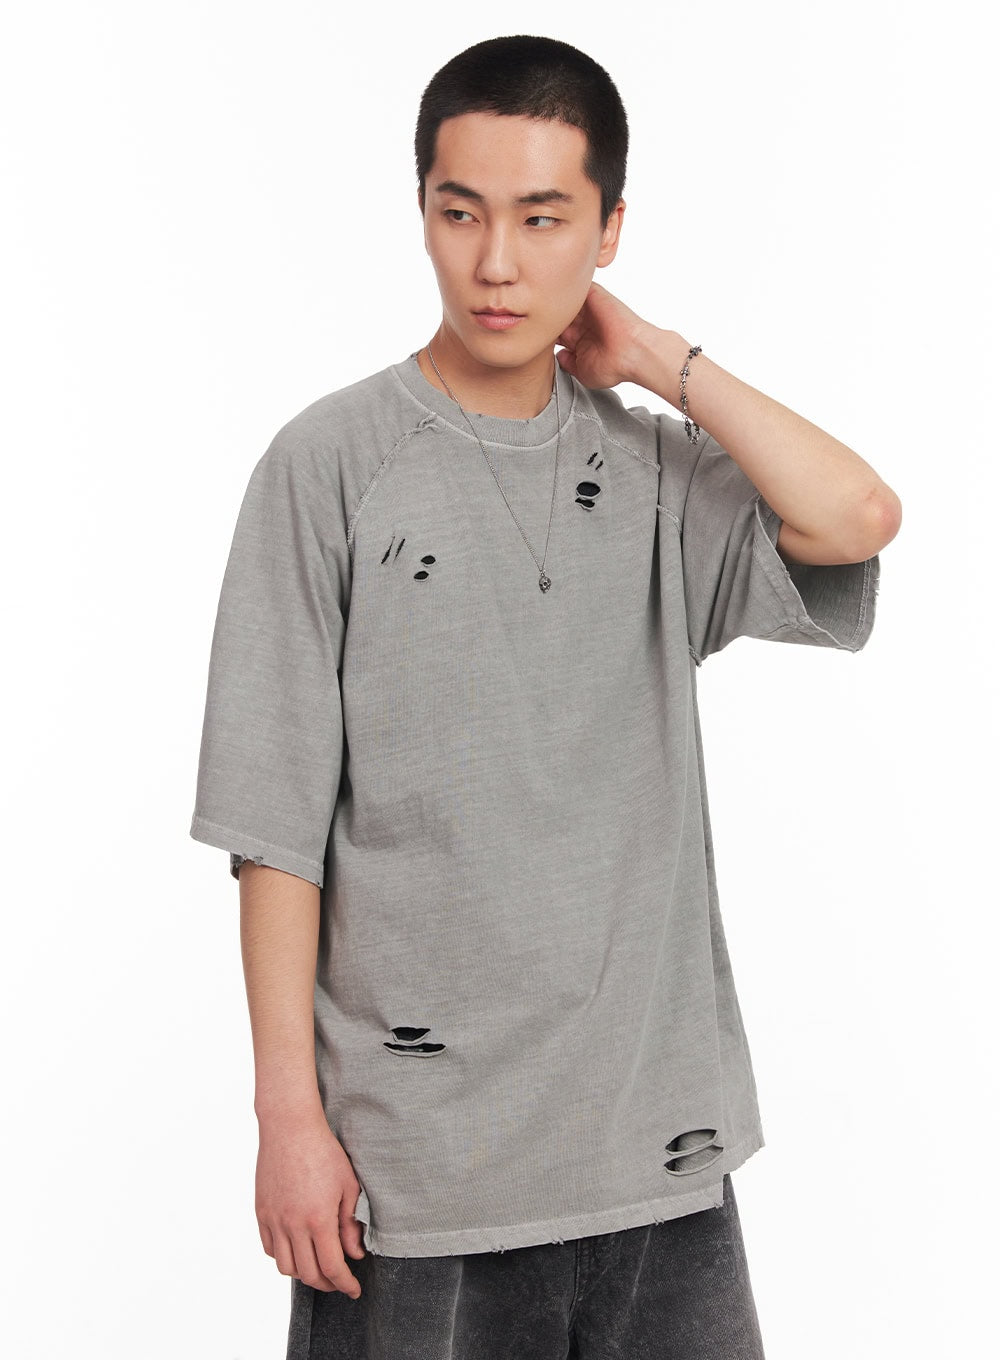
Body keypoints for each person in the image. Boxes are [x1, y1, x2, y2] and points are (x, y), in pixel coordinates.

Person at [189, 33, 900, 1360]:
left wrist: (662, 361)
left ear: (608, 229)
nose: (498, 263)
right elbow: (272, 824)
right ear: (421, 212)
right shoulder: (328, 465)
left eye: (542, 217)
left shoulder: (656, 474)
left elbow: (856, 515)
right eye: (462, 213)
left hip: (657, 1154)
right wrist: (287, 1118)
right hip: (416, 1177)